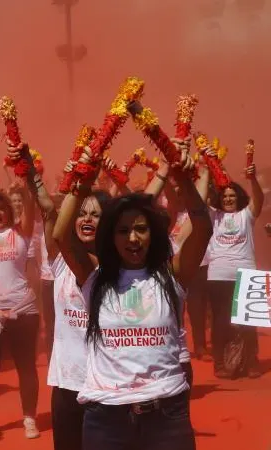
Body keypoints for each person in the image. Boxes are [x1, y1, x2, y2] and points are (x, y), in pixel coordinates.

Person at [55, 139, 211, 449]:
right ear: (110, 237)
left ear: (153, 234)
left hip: (166, 416)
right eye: (123, 231)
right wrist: (83, 182)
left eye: (141, 228)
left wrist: (182, 177)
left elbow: (202, 227)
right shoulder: (95, 278)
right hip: (106, 419)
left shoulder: (173, 275)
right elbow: (61, 234)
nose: (133, 237)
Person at [0, 147, 40, 440]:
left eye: (4, 208)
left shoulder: (21, 233)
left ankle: (29, 418)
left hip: (23, 312)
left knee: (25, 367)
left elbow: (29, 204)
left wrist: (24, 180)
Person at [206, 165, 264, 379]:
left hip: (246, 272)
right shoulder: (213, 216)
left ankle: (251, 361)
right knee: (221, 322)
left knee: (249, 321)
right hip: (218, 275)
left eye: (232, 195)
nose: (228, 199)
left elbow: (259, 200)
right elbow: (199, 198)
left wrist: (253, 179)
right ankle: (220, 362)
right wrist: (207, 169)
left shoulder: (246, 215)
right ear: (220, 199)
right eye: (225, 196)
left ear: (239, 198)